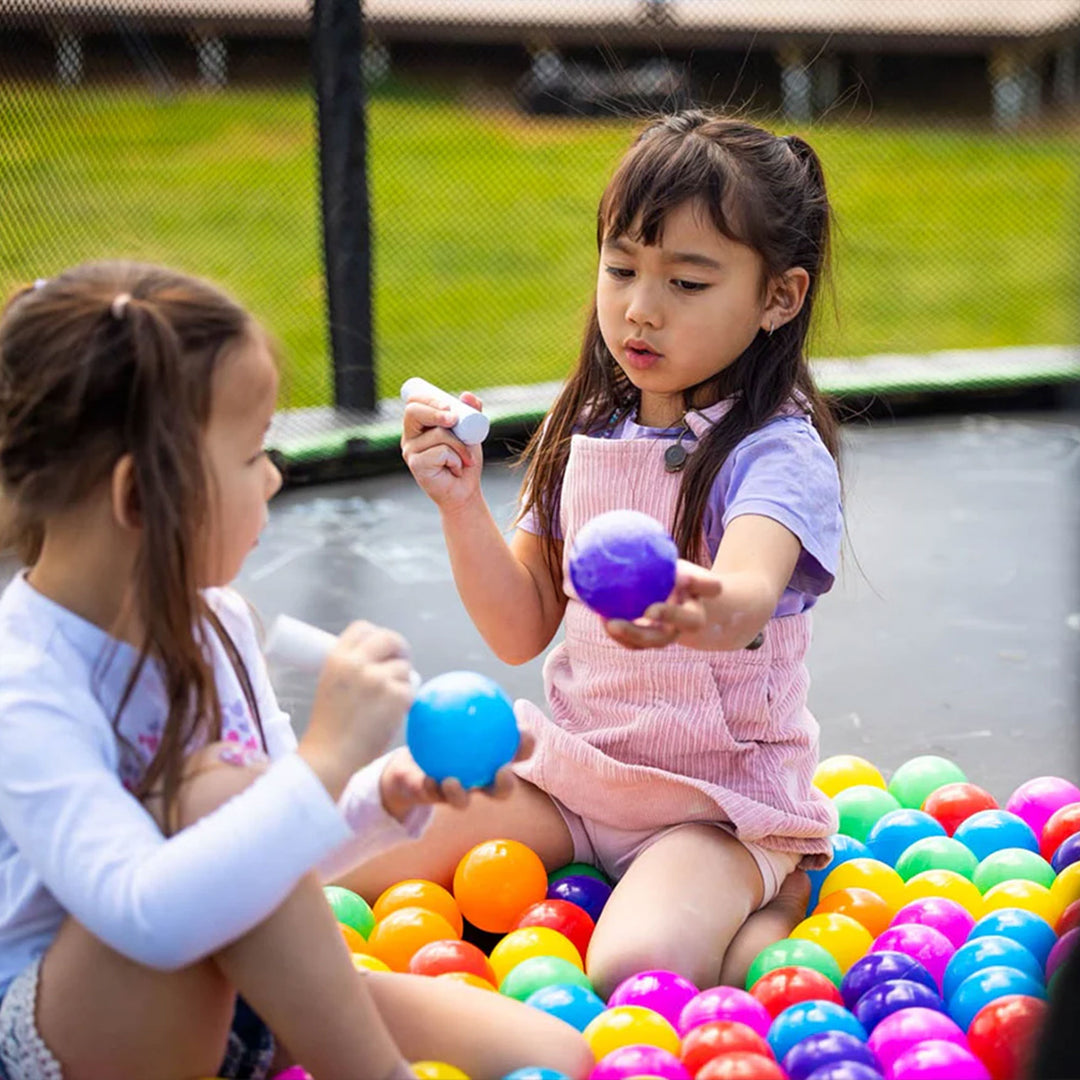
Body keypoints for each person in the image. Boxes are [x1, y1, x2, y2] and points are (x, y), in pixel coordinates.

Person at [0, 263, 591, 1080]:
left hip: (231, 1000)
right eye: (251, 457)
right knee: (213, 791)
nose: (275, 477)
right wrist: (323, 761)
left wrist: (389, 793)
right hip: (81, 1036)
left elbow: (279, 867)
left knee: (554, 1051)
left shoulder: (217, 623)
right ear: (140, 498)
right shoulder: (24, 683)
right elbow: (150, 918)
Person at [344, 111, 844, 998]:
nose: (639, 308)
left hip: (714, 807)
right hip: (573, 779)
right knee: (352, 849)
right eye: (620, 269)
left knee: (633, 968)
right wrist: (461, 505)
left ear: (780, 298)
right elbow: (518, 628)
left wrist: (700, 604)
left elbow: (748, 593)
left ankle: (779, 882)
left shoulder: (777, 454)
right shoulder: (583, 432)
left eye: (688, 282)